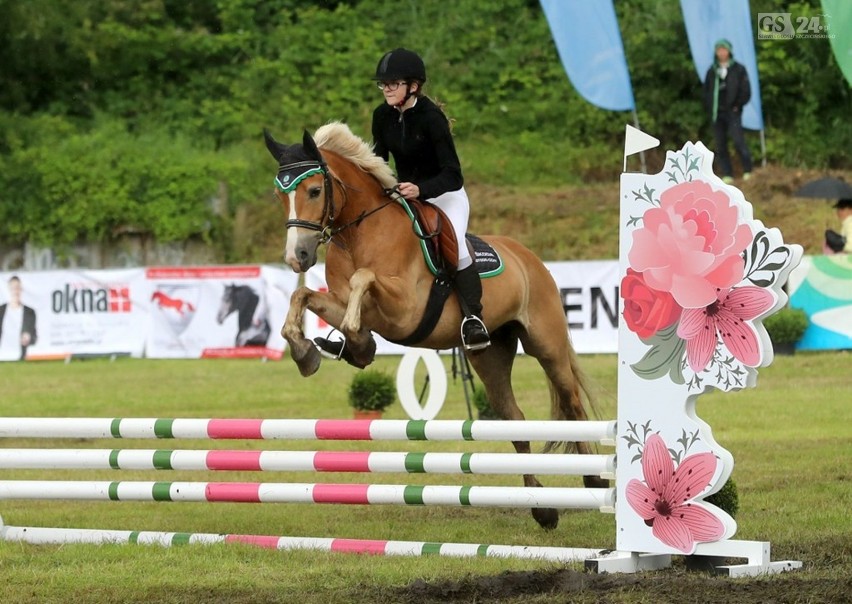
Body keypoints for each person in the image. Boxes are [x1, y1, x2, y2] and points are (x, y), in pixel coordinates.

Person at [370, 48, 490, 351]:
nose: (386, 89)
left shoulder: (431, 118)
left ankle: (473, 319)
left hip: (445, 196)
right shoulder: (381, 116)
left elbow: (454, 175)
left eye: (392, 84)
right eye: (383, 84)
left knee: (458, 245)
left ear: (413, 86)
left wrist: (421, 190)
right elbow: (379, 162)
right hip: (407, 197)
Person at [703, 39, 753, 184]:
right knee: (720, 144)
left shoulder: (738, 69)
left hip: (733, 112)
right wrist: (709, 106)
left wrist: (738, 105)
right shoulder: (712, 70)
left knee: (738, 141)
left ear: (729, 51)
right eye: (719, 50)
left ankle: (748, 170)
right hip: (717, 113)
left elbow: (746, 90)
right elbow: (706, 91)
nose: (721, 53)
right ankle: (727, 173)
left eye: (724, 50)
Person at [0, 275, 38, 361]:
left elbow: (34, 337)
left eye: (18, 288)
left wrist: (28, 338)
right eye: (13, 288)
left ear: (21, 289)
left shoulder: (29, 313)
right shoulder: (1, 311)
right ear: (9, 289)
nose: (15, 291)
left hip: (19, 356)